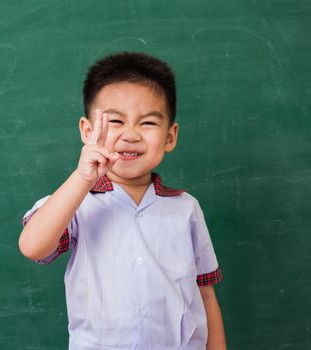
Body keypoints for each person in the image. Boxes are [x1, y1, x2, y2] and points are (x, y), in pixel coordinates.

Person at [19, 52, 226, 350]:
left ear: (170, 137)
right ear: (87, 131)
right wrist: (81, 177)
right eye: (115, 121)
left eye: (147, 123)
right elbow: (32, 246)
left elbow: (204, 292)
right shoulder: (76, 202)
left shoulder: (186, 208)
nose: (130, 135)